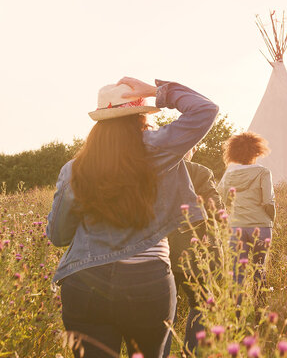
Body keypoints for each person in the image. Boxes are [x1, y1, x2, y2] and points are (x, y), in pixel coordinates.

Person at [46, 77, 218, 358]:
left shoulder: (74, 169)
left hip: (85, 282)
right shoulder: (158, 147)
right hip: (147, 281)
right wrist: (154, 91)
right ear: (140, 117)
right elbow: (205, 109)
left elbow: (58, 236)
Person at [165, 146, 223, 355]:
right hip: (195, 252)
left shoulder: (157, 169)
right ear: (191, 149)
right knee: (200, 305)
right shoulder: (200, 172)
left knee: (165, 310)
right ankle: (189, 352)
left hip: (162, 252)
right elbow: (216, 208)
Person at [217, 132, 275, 287]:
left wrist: (229, 214)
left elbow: (218, 198)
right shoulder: (263, 172)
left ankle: (237, 308)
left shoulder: (229, 174)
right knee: (259, 269)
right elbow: (268, 201)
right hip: (261, 225)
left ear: (233, 153)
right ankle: (260, 308)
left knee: (237, 273)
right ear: (257, 151)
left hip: (236, 227)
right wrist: (272, 219)